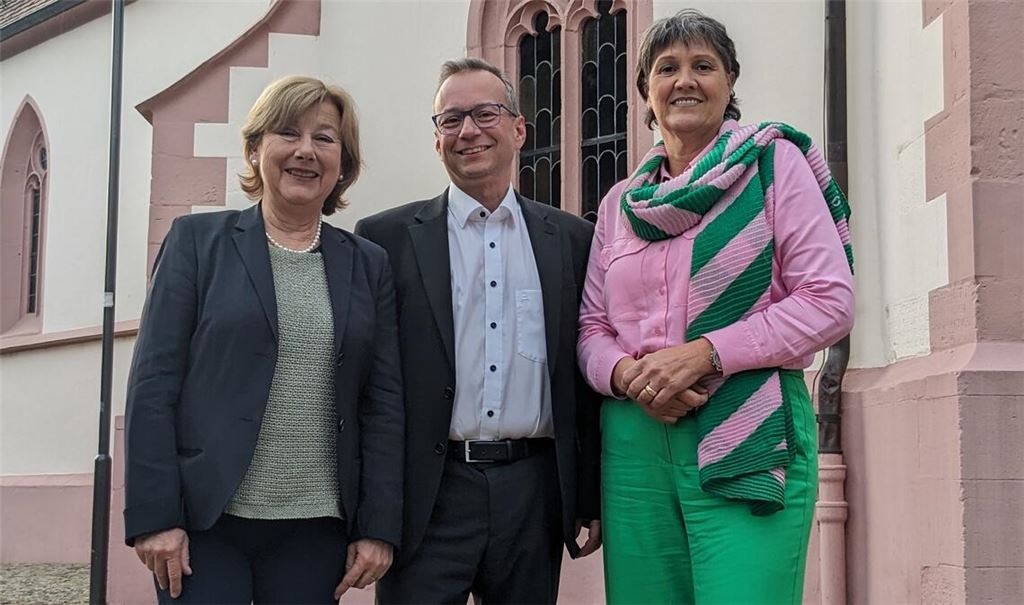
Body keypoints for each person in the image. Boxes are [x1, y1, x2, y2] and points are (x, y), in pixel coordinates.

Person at [577, 9, 855, 605]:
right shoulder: (621, 203)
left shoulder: (773, 167)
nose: (685, 80)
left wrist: (702, 355)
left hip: (747, 422)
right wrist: (631, 375)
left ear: (730, 84)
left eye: (703, 66)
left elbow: (829, 301)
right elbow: (592, 328)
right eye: (666, 68)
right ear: (646, 94)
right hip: (634, 441)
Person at [123, 75, 404, 604]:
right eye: (287, 133)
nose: (305, 151)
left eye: (324, 138)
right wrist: (154, 517)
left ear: (343, 162)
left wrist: (378, 526)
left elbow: (383, 404)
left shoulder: (368, 264)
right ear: (255, 149)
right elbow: (153, 386)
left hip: (317, 527)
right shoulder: (196, 244)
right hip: (206, 523)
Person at [355, 57, 601, 604]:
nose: (468, 131)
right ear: (437, 139)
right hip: (426, 496)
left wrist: (588, 495)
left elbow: (580, 375)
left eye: (485, 114)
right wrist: (373, 510)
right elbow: (370, 388)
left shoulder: (573, 240)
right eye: (451, 119)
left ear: (518, 130)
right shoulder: (384, 240)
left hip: (532, 494)